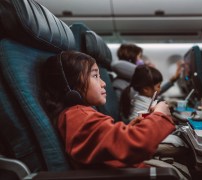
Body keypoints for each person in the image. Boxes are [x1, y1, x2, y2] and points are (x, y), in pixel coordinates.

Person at [41, 51, 176, 169]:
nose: (103, 83)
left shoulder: (79, 114)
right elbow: (135, 145)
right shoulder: (78, 117)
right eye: (95, 76)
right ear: (71, 84)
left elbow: (106, 146)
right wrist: (160, 115)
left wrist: (129, 128)